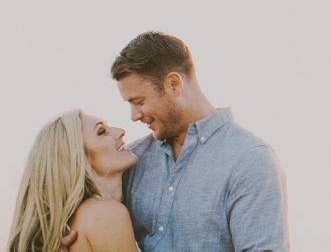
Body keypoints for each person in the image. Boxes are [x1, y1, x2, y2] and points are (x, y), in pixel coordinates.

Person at [111, 31, 289, 251]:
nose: (134, 115)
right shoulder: (133, 158)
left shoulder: (249, 160)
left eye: (139, 101)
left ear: (174, 84)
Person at [6, 110, 139, 252]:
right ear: (78, 158)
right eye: (101, 132)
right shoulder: (105, 214)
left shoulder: (78, 221)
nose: (120, 131)